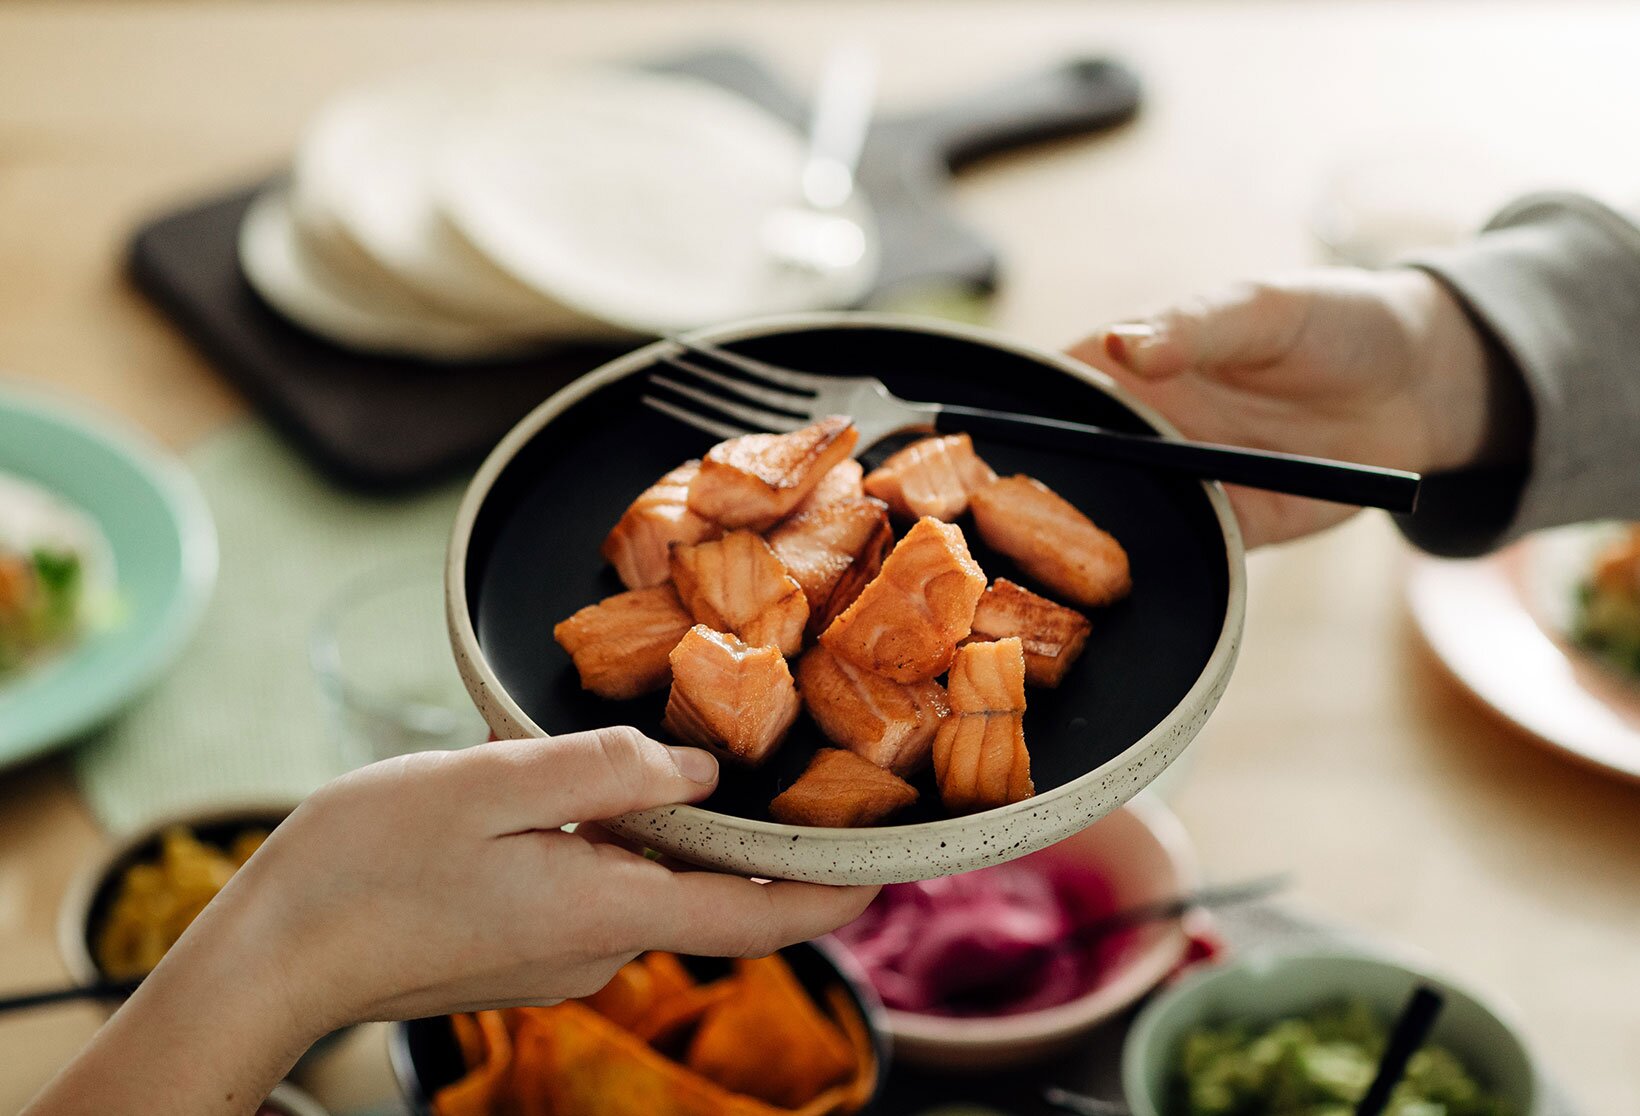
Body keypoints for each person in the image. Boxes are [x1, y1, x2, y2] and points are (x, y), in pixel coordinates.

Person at [24, 192, 1640, 1115]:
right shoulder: (735, 568)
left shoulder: (917, 568)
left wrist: (1464, 359)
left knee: (916, 566)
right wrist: (275, 956)